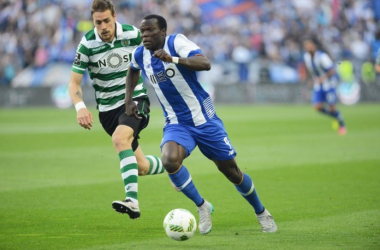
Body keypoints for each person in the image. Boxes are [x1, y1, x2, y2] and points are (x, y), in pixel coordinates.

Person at [125, 14, 277, 234]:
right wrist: (128, 99)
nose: (145, 35)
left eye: (150, 30)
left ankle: (261, 212)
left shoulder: (177, 42)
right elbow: (132, 70)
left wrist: (173, 59)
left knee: (232, 172)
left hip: (204, 119)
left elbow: (205, 63)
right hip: (176, 123)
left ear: (163, 31)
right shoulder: (140, 54)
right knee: (169, 160)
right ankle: (202, 206)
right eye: (142, 31)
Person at [68, 0, 165, 220]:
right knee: (141, 166)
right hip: (108, 112)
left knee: (120, 140)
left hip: (134, 99)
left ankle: (132, 200)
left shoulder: (132, 34)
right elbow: (74, 83)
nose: (102, 26)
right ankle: (172, 165)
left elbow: (157, 52)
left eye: (106, 21)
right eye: (97, 22)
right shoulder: (87, 44)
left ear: (114, 17)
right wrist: (80, 108)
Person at [303, 38, 347, 135]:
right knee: (317, 107)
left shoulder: (322, 57)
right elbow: (310, 71)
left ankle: (342, 124)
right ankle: (336, 116)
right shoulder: (306, 57)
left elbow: (332, 70)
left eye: (309, 45)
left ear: (314, 46)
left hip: (329, 84)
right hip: (319, 84)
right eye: (306, 46)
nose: (308, 47)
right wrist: (310, 80)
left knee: (332, 107)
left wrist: (322, 78)